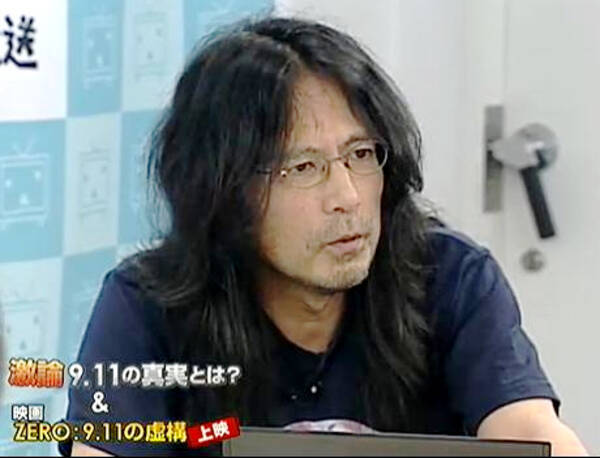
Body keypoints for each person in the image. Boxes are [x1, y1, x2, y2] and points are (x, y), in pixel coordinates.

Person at [61, 16, 588, 456]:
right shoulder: (147, 305)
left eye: (361, 155)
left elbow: (530, 432)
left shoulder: (448, 276)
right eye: (304, 167)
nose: (348, 197)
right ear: (224, 190)